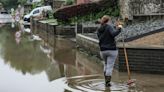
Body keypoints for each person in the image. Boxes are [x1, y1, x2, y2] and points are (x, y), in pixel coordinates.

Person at [97, 15, 122, 87]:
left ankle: (106, 81)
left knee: (106, 64)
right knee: (110, 66)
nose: (111, 22)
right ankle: (107, 83)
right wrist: (119, 28)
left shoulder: (99, 29)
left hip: (102, 51)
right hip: (111, 50)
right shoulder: (108, 27)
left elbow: (106, 36)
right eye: (110, 20)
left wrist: (115, 28)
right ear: (108, 21)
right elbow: (113, 34)